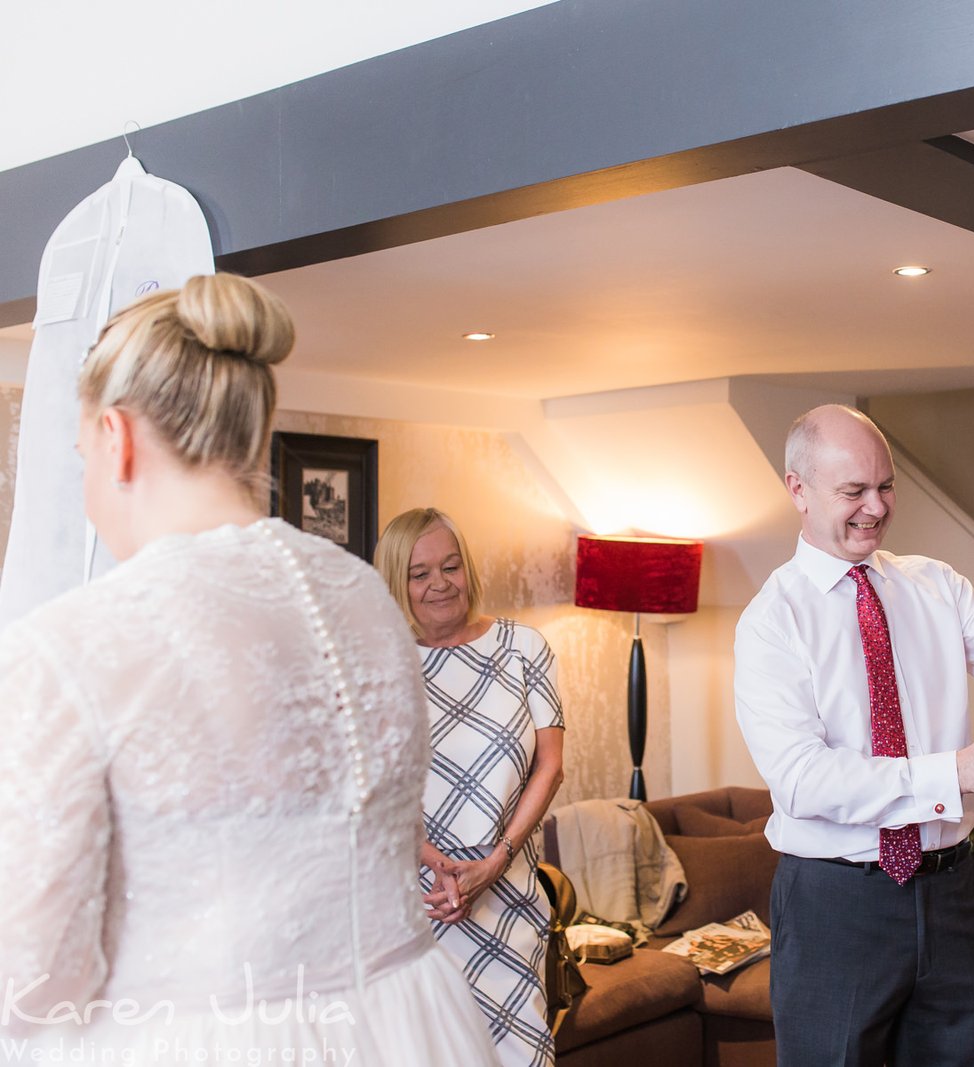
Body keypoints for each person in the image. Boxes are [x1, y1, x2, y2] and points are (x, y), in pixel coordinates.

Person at [0, 274, 500, 1063]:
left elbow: (36, 974)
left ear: (116, 438)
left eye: (80, 456)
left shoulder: (73, 644)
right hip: (405, 1024)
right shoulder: (366, 597)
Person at [734, 404, 974, 1066]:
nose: (876, 506)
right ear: (798, 490)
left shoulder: (934, 584)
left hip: (953, 895)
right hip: (835, 905)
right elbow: (803, 780)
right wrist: (953, 771)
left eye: (886, 485)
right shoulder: (771, 622)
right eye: (854, 491)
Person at [375, 508, 566, 1067]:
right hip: (419, 903)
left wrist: (496, 860)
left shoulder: (523, 647)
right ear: (396, 581)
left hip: (509, 898)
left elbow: (549, 767)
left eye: (450, 566)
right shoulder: (380, 663)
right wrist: (432, 861)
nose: (439, 584)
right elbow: (369, 788)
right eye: (419, 573)